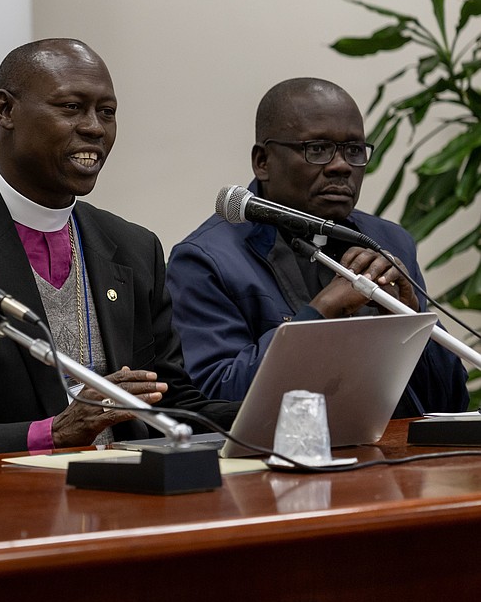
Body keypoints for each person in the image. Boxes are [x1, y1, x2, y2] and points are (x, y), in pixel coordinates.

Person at [0, 38, 238, 462]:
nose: (95, 127)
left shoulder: (133, 248)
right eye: (71, 107)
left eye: (107, 112)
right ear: (5, 110)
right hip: (2, 511)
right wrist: (52, 433)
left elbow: (174, 403)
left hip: (133, 501)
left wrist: (282, 410)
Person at [167, 77, 469, 416]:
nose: (341, 166)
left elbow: (451, 403)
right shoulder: (206, 260)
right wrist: (321, 313)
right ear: (262, 161)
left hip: (392, 456)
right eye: (318, 149)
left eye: (354, 151)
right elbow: (213, 401)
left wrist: (412, 319)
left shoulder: (389, 242)